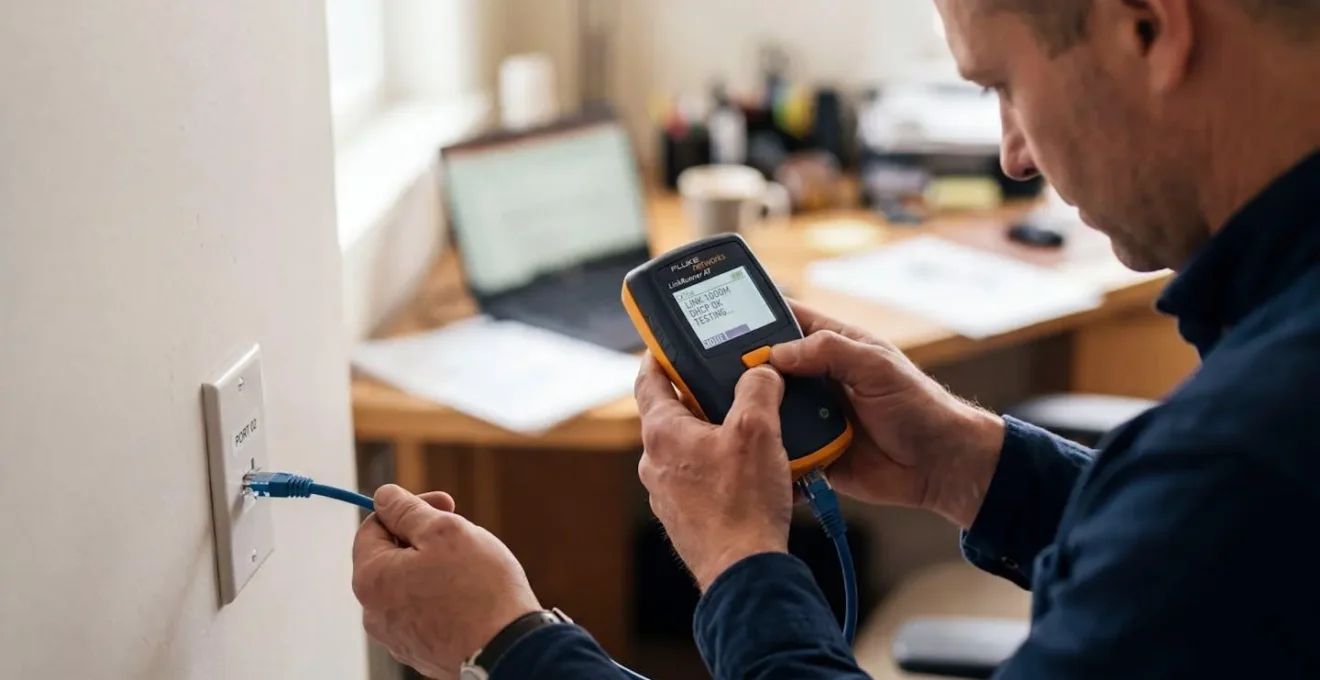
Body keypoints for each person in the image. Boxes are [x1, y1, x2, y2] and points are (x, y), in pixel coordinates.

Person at [350, 0, 1320, 677]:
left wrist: (512, 641)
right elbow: (1233, 574)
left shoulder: (1241, 457)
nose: (1014, 153)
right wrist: (972, 465)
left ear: (1149, 26)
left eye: (1003, 83)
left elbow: (1210, 531)